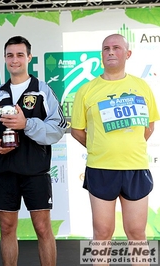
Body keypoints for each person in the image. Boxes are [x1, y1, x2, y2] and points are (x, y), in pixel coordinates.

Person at [71, 34, 159, 264]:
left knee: (137, 235)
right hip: (100, 168)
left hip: (135, 168)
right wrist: (100, 148)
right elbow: (77, 130)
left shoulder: (142, 87)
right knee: (101, 234)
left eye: (116, 48)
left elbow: (149, 126)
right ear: (101, 55)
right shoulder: (86, 90)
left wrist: (129, 147)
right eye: (106, 48)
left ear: (127, 54)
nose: (110, 52)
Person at [0, 36, 67, 266]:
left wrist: (27, 124)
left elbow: (58, 127)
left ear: (29, 57)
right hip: (6, 171)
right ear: (5, 59)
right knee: (7, 228)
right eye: (10, 55)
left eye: (20, 55)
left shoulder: (42, 90)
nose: (14, 60)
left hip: (35, 171)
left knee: (42, 227)